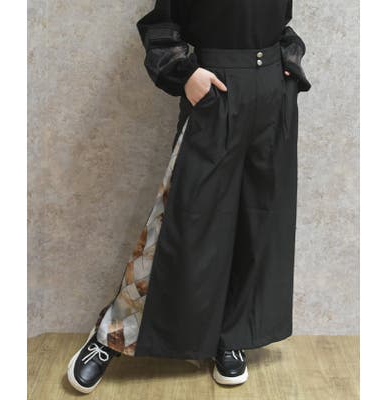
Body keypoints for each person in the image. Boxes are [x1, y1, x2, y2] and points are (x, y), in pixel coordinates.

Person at [67, 0, 311, 393]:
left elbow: (282, 24)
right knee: (183, 220)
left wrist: (289, 63)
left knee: (259, 222)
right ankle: (112, 336)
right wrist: (187, 74)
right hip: (217, 92)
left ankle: (230, 336)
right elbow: (160, 27)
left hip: (272, 96)